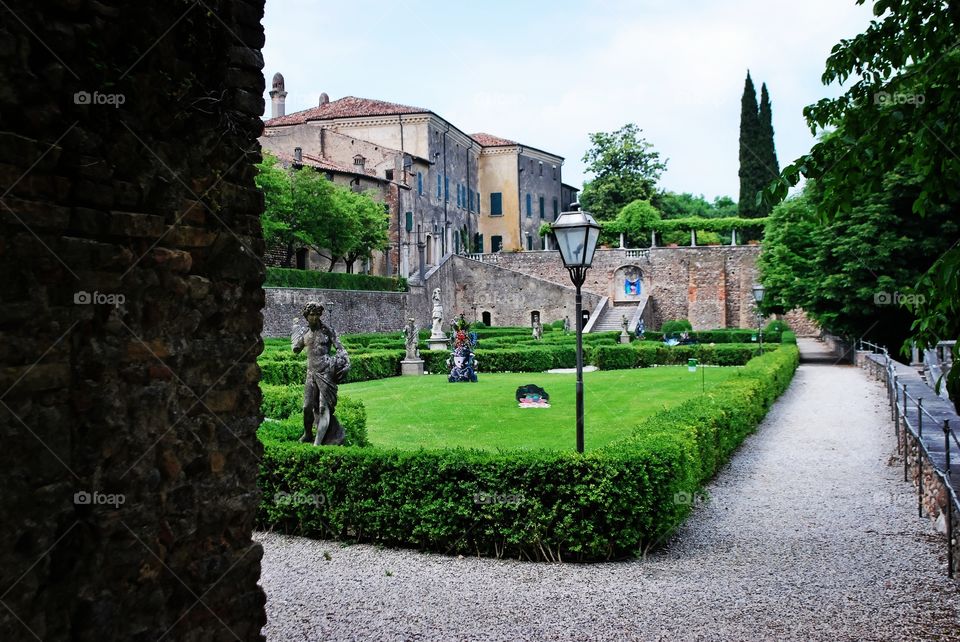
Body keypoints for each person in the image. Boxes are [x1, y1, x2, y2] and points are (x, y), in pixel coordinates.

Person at [292, 302, 351, 445]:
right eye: (311, 315)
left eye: (317, 314)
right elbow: (296, 349)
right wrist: (294, 334)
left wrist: (346, 362)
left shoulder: (327, 331)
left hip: (326, 372)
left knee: (323, 408)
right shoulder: (305, 333)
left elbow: (340, 348)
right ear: (306, 316)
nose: (314, 317)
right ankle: (307, 434)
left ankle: (317, 444)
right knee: (307, 407)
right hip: (311, 373)